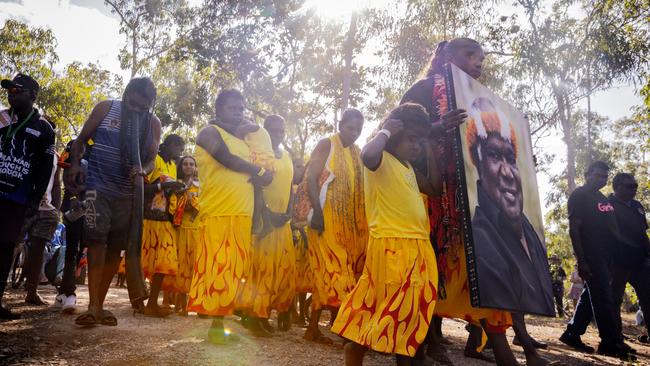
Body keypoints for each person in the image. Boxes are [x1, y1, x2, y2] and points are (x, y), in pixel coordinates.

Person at [401, 39, 522, 365]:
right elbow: (399, 133)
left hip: (472, 203)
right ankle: (422, 344)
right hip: (430, 197)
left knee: (485, 270)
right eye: (471, 55)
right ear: (446, 56)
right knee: (429, 273)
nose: (479, 63)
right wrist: (438, 127)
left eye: (481, 58)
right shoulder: (424, 88)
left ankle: (503, 351)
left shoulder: (480, 101)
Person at [332, 103, 438, 365]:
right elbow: (367, 156)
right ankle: (358, 350)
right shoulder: (379, 159)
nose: (416, 146)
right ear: (395, 132)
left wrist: (431, 148)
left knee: (408, 310)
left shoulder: (409, 168)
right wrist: (385, 130)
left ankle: (358, 351)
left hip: (418, 247)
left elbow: (435, 188)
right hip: (391, 246)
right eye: (412, 139)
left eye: (419, 141)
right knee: (394, 308)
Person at [64, 77, 161, 326]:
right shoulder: (106, 108)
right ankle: (93, 306)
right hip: (98, 185)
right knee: (96, 240)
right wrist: (75, 164)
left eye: (143, 107)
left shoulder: (152, 124)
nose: (136, 110)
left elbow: (151, 159)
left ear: (149, 105)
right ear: (126, 94)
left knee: (115, 248)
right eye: (133, 104)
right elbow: (81, 140)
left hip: (128, 194)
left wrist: (143, 170)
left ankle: (100, 304)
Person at [186, 89, 272, 344]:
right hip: (219, 210)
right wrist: (258, 170)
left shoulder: (244, 138)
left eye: (241, 107)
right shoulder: (208, 132)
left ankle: (224, 322)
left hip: (242, 211)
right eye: (232, 108)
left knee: (235, 269)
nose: (238, 112)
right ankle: (216, 324)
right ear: (218, 109)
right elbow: (227, 159)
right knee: (219, 266)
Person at [465, 97, 555, 315]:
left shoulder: (529, 232)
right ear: (478, 166)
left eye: (511, 159)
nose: (507, 173)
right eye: (494, 156)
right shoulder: (483, 240)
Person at [303, 108, 368, 342]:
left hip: (349, 226)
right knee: (336, 271)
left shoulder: (357, 152)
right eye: (351, 127)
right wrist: (318, 213)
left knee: (326, 273)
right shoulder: (326, 144)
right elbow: (311, 177)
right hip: (326, 219)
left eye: (359, 129)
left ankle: (312, 329)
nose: (354, 133)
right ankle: (347, 332)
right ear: (341, 125)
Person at [559, 162, 635, 360]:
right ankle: (609, 343)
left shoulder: (602, 197)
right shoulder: (580, 195)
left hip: (607, 257)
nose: (601, 179)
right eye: (597, 175)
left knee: (589, 297)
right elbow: (574, 229)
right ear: (587, 174)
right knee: (604, 298)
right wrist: (582, 260)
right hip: (592, 256)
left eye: (604, 177)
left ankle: (571, 334)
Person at [0, 74, 56, 319]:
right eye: (9, 89)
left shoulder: (44, 128)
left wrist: (34, 202)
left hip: (17, 200)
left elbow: (45, 169)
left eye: (17, 89)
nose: (11, 92)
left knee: (4, 249)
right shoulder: (1, 118)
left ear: (32, 95)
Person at [239, 115, 297, 335]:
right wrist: (266, 212)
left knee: (282, 270)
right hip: (265, 221)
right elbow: (256, 185)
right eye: (273, 130)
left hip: (283, 221)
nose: (278, 135)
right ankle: (254, 317)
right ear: (265, 131)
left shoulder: (287, 157)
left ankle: (265, 312)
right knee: (261, 269)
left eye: (281, 131)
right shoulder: (260, 156)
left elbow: (290, 186)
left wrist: (289, 211)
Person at [141, 134, 185, 317]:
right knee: (143, 263)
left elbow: (169, 191)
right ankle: (140, 302)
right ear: (167, 145)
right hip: (148, 219)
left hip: (166, 220)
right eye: (178, 147)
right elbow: (141, 188)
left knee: (163, 263)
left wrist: (177, 189)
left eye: (182, 149)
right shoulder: (155, 160)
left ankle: (152, 303)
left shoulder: (173, 166)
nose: (180, 152)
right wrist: (164, 187)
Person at [21, 125, 61, 306]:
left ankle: (31, 291)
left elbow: (56, 185)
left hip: (45, 208)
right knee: (10, 245)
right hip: (23, 204)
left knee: (38, 250)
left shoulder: (55, 156)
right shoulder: (25, 145)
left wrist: (56, 209)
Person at [168, 155, 199, 316]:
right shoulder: (176, 184)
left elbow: (203, 204)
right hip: (178, 228)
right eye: (185, 164)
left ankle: (188, 301)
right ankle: (177, 301)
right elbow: (171, 204)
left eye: (191, 164)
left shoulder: (200, 186)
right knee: (179, 264)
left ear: (195, 167)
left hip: (195, 229)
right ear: (181, 166)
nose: (188, 166)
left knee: (191, 264)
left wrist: (193, 205)